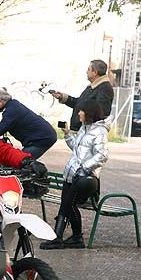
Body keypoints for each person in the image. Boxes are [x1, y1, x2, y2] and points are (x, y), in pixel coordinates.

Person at [41, 99, 109, 249]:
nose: (79, 113)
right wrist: (67, 135)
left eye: (81, 110)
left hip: (86, 178)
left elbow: (102, 155)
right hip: (72, 174)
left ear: (89, 112)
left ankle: (67, 238)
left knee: (68, 204)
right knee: (65, 204)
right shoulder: (84, 128)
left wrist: (84, 168)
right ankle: (65, 237)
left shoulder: (100, 131)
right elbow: (78, 150)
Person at [0, 87, 57, 159]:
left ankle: (37, 170)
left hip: (41, 140)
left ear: (1, 100)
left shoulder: (11, 111)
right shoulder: (12, 106)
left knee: (19, 163)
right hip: (41, 138)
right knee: (16, 162)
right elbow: (3, 126)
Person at [50, 60, 114, 130]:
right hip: (81, 132)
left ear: (95, 72)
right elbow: (79, 104)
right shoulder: (92, 86)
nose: (86, 72)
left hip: (87, 133)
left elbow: (102, 113)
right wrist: (62, 97)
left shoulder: (105, 88)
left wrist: (85, 122)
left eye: (89, 69)